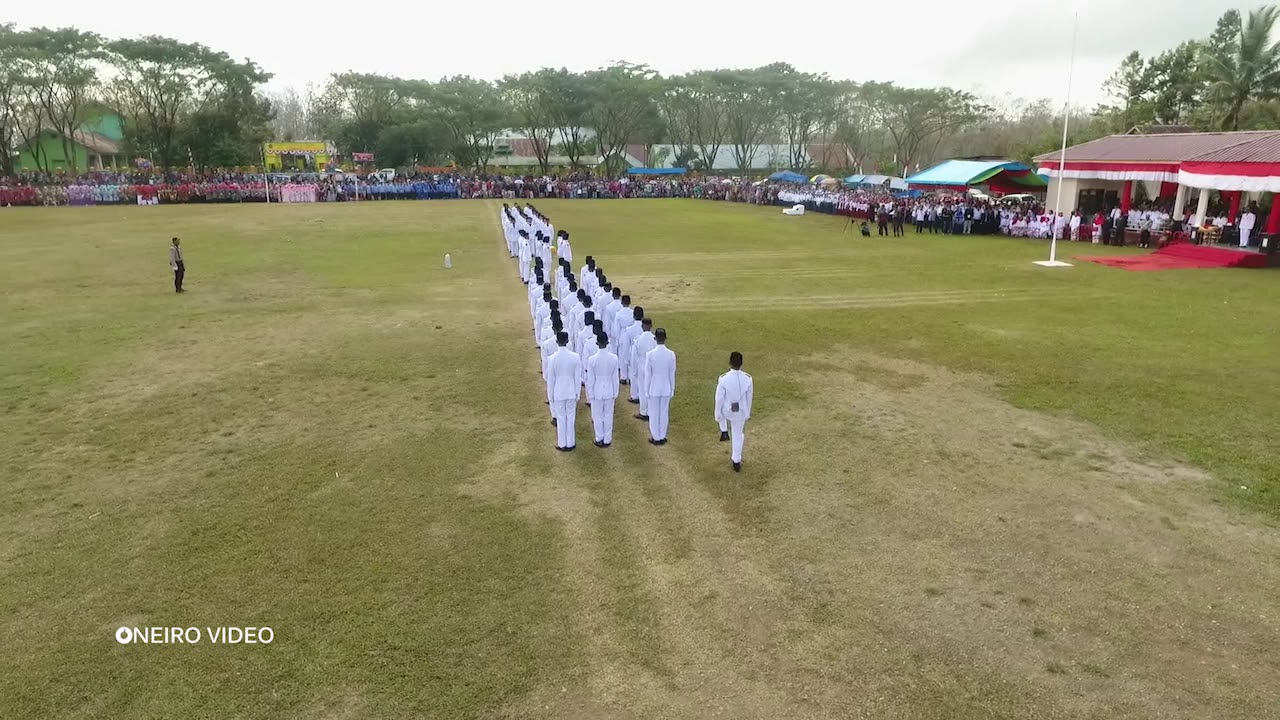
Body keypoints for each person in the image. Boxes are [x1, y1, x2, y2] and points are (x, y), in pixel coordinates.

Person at [715, 351, 754, 472]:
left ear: (730, 363)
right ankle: (736, 460)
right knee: (738, 434)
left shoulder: (723, 379)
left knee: (721, 414)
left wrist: (717, 414)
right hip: (740, 411)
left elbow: (719, 398)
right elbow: (749, 397)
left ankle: (724, 430)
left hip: (727, 410)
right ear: (741, 363)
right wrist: (747, 412)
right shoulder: (747, 379)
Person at [546, 331, 581, 451]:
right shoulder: (575, 357)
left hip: (558, 391)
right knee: (571, 417)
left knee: (561, 418)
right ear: (567, 341)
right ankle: (570, 442)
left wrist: (550, 396)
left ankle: (562, 443)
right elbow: (577, 378)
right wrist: (577, 393)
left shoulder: (552, 359)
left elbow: (551, 380)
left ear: (557, 341)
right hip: (571, 390)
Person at [643, 328, 676, 445]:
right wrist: (672, 388)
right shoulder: (671, 354)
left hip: (654, 387)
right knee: (663, 412)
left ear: (655, 338)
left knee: (654, 412)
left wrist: (646, 390)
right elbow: (672, 373)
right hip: (666, 386)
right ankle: (662, 435)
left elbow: (648, 374)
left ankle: (656, 436)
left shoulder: (650, 355)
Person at [586, 334, 619, 447]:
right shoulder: (614, 358)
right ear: (607, 343)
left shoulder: (592, 359)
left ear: (597, 343)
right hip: (609, 389)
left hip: (597, 390)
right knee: (608, 415)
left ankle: (599, 437)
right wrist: (615, 392)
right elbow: (615, 378)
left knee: (597, 415)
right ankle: (607, 439)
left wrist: (590, 393)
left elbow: (590, 379)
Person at [631, 318, 656, 420]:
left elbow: (634, 356)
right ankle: (651, 410)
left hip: (641, 365)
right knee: (651, 388)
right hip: (653, 366)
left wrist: (634, 370)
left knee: (642, 389)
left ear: (642, 327)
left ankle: (644, 411)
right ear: (651, 326)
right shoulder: (655, 339)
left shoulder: (638, 339)